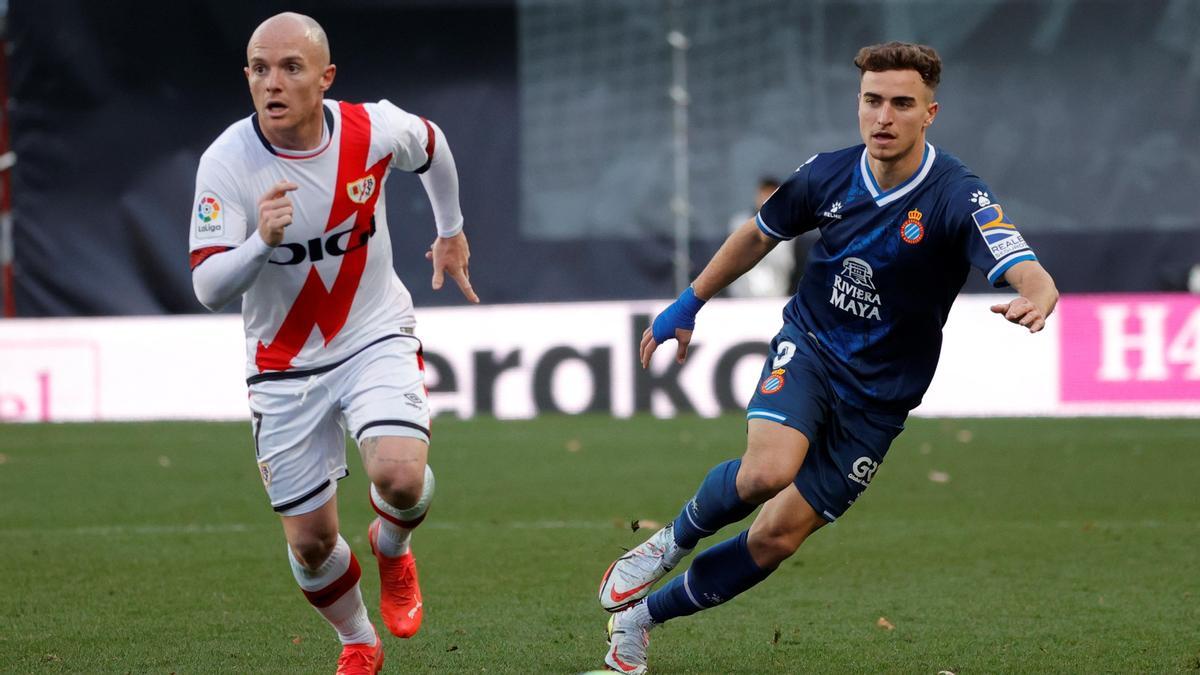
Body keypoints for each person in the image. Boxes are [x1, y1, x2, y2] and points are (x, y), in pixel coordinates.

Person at [597, 42, 1057, 673]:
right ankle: (669, 541)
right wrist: (689, 301)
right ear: (859, 104)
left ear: (930, 114)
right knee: (768, 470)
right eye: (872, 101)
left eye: (902, 104)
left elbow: (1026, 267)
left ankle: (639, 621)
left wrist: (1037, 296)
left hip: (880, 400)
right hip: (812, 347)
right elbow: (761, 232)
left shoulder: (957, 195)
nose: (883, 117)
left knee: (774, 537)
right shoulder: (828, 174)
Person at [188, 13, 478, 674]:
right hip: (282, 366)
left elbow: (431, 145)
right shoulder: (227, 162)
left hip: (373, 334)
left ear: (327, 77)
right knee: (313, 544)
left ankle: (393, 546)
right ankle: (357, 637)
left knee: (400, 477)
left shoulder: (370, 129)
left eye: (291, 67)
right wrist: (259, 241)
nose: (273, 82)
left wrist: (451, 229)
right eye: (260, 68)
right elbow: (207, 284)